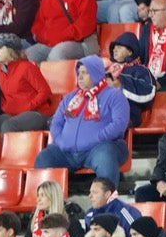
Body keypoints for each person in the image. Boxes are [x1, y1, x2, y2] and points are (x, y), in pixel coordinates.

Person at [35, 56, 129, 185]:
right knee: (44, 158)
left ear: (95, 73)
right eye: (78, 73)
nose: (80, 77)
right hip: (67, 150)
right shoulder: (71, 97)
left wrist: (97, 138)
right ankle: (52, 203)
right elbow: (56, 123)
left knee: (105, 156)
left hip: (98, 148)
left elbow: (119, 124)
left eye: (85, 73)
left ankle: (108, 202)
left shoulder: (114, 95)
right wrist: (61, 141)